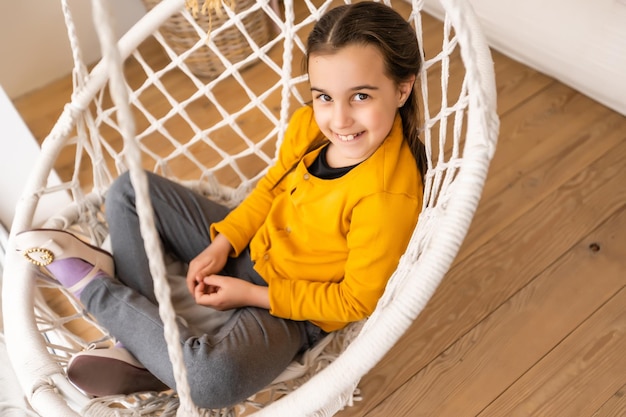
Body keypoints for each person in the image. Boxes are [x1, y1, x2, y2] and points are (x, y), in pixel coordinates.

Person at [16, 1, 425, 410]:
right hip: (254, 244)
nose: (339, 120)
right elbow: (268, 191)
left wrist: (249, 294)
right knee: (129, 191)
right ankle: (146, 349)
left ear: (402, 88)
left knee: (210, 382)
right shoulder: (308, 126)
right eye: (324, 97)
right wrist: (223, 243)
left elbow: (353, 302)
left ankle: (95, 288)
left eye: (360, 97)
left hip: (289, 308)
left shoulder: (387, 196)